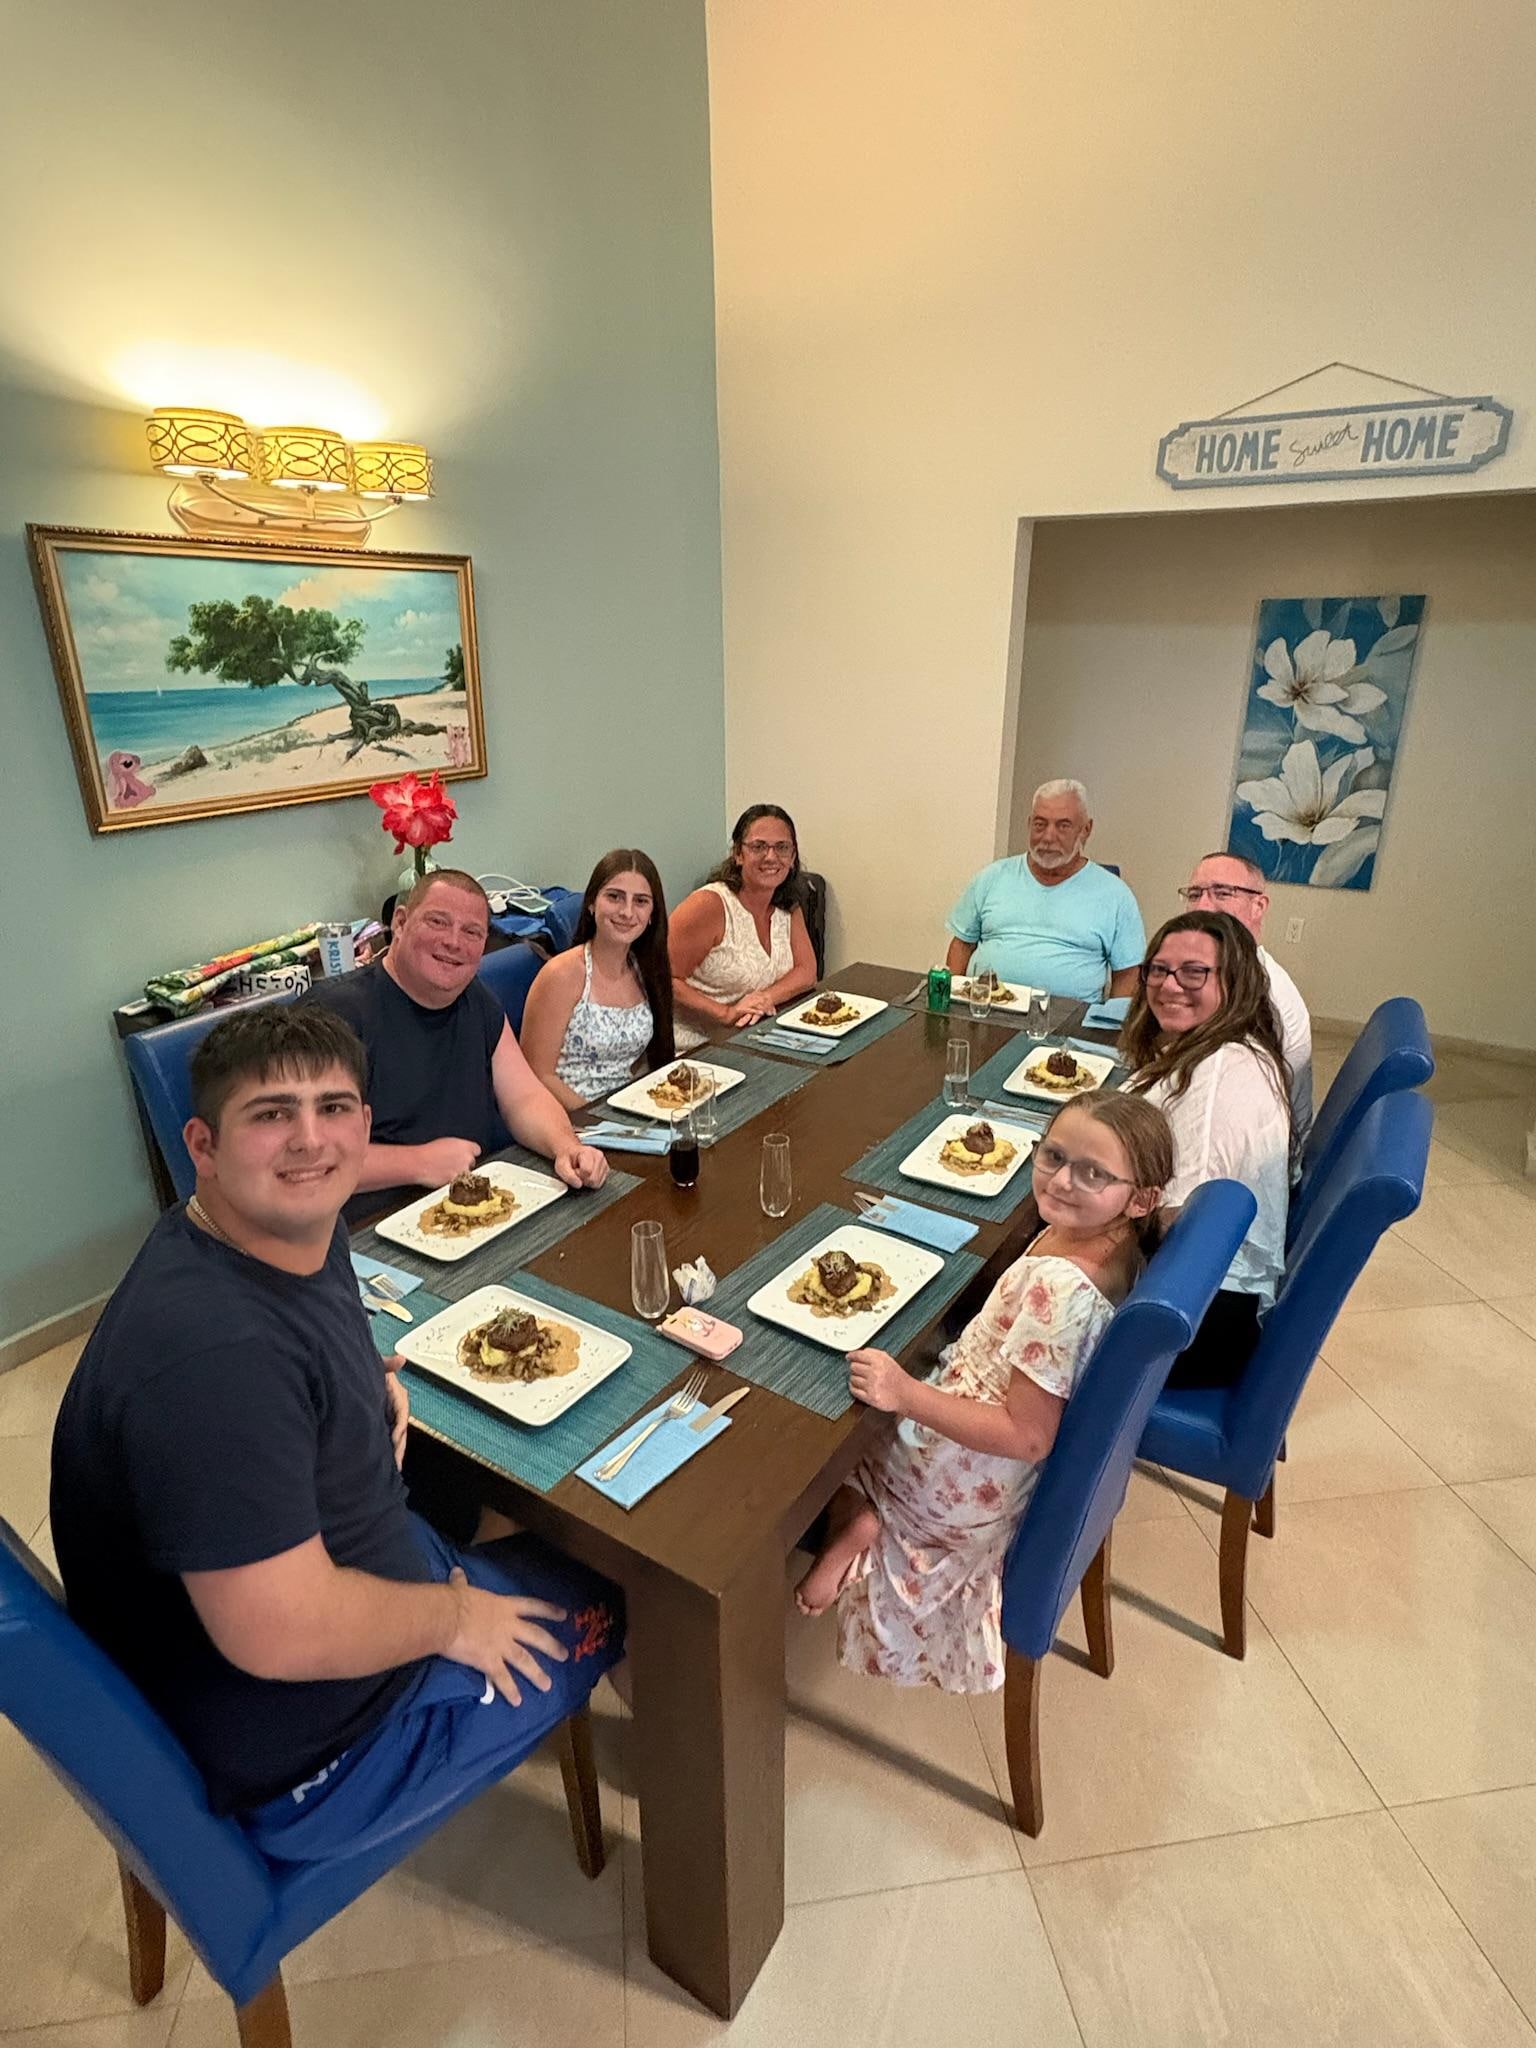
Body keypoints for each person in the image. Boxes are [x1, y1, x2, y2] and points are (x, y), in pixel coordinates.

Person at [50, 1006, 623, 1851]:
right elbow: (279, 1632)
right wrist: (454, 1621)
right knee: (619, 1588)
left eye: (334, 1108)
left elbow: (310, 1359)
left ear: (364, 1122)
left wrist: (366, 1393)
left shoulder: (283, 1233)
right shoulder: (212, 1358)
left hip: (353, 1578)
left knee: (505, 1504)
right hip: (315, 1749)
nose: (310, 1140)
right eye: (272, 1113)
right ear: (200, 1145)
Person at [795, 1092, 1172, 1693]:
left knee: (808, 1431)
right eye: (1053, 1155)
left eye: (1093, 1173)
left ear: (1141, 1198)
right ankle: (862, 1518)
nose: (1063, 1181)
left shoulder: (1062, 1292)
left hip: (958, 1480)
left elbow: (1028, 1435)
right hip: (979, 1467)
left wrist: (906, 1393)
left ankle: (858, 1522)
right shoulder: (1107, 1247)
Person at [307, 869, 607, 1223]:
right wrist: (418, 1162)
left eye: (472, 932)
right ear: (400, 923)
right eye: (438, 922)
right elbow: (304, 1159)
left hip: (465, 1212)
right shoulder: (332, 1015)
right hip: (361, 1229)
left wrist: (567, 1147)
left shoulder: (476, 999)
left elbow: (524, 1096)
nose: (454, 942)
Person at [1119, 910, 1292, 1388]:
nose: (1170, 984)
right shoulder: (1223, 1049)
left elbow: (1179, 1222)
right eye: (1158, 968)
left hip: (1192, 1321)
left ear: (1235, 980)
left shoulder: (1217, 1075)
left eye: (1194, 972)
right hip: (1201, 1298)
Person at [945, 779, 1145, 1001]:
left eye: (1063, 826)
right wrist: (950, 1007)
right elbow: (962, 944)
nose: (1049, 837)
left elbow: (1128, 974)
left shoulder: (1115, 895)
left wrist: (1111, 1029)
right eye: (1040, 824)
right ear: (1030, 824)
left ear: (1086, 830)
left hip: (1068, 1026)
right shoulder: (992, 877)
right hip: (985, 1013)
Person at [520, 849, 675, 1110]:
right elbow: (537, 1074)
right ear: (592, 903)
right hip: (571, 1119)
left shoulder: (645, 969)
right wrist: (601, 1121)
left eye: (640, 901)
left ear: (652, 915)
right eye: (614, 897)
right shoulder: (562, 974)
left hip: (626, 1111)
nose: (627, 912)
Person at [1180, 850, 1313, 1151]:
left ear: (1259, 906)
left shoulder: (1261, 999)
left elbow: (1211, 1116)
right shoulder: (1229, 971)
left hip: (1247, 1160)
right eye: (1195, 893)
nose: (1202, 906)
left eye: (1222, 893)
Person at [668, 804, 819, 1049]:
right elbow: (663, 978)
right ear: (738, 854)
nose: (771, 857)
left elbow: (806, 972)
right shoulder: (710, 904)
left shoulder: (787, 905)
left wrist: (765, 997)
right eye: (758, 846)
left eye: (782, 848)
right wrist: (725, 1013)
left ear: (792, 858)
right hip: (698, 1048)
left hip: (758, 1039)